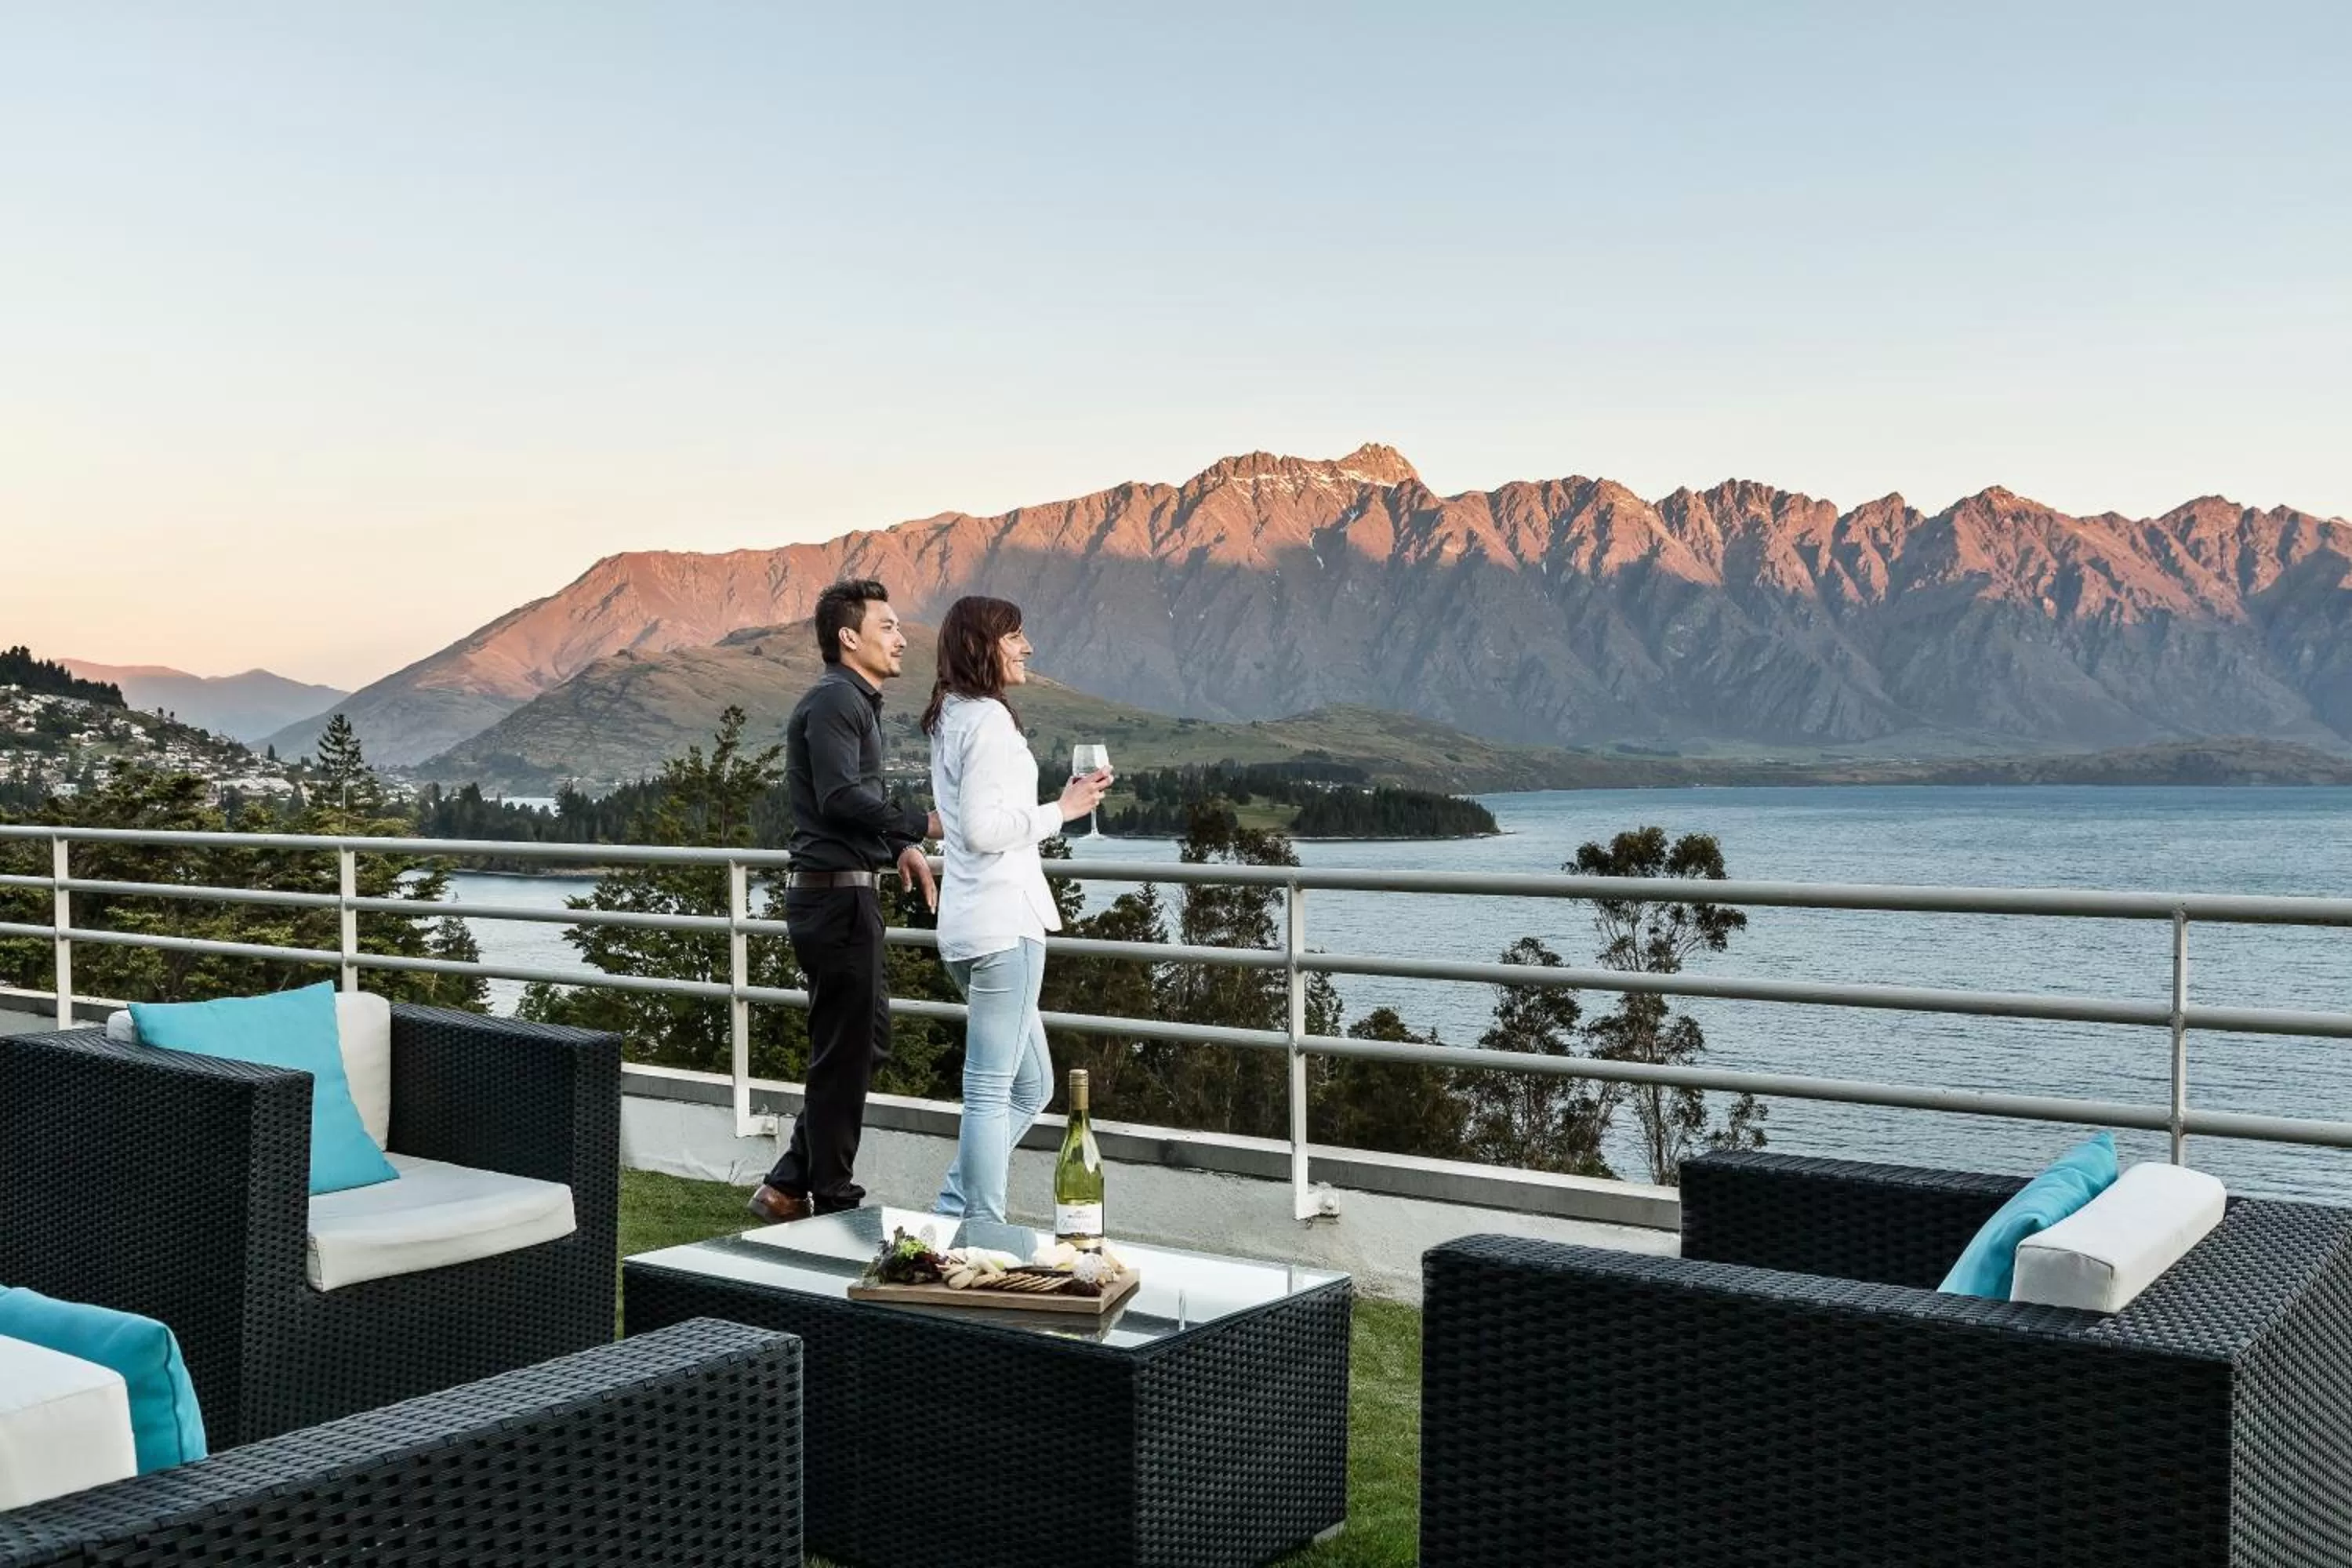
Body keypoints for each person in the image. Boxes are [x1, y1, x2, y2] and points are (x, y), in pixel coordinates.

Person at [749, 579, 941, 1222]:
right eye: (887, 626)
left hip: (843, 896)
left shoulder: (852, 701)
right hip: (834, 905)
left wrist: (896, 848)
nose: (902, 637)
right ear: (848, 638)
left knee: (864, 1044)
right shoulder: (836, 701)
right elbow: (836, 799)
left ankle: (787, 1182)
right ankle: (831, 1198)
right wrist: (921, 824)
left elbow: (847, 811)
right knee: (847, 1049)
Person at [920, 595, 1111, 1223]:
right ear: (985, 645)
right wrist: (1065, 812)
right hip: (1006, 929)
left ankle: (954, 1208)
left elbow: (967, 820)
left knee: (1033, 1087)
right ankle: (981, 1226)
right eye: (1016, 637)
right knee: (989, 1089)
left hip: (968, 929)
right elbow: (977, 828)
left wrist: (1055, 804)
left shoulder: (954, 715)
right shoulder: (990, 723)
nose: (1028, 648)